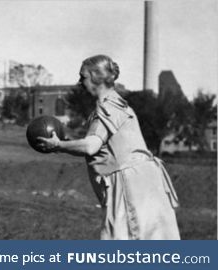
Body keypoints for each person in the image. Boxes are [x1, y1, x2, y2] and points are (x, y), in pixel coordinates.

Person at [37, 55, 180, 240]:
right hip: (145, 182)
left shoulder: (107, 107)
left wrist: (58, 145)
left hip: (130, 185)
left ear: (96, 77)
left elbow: (90, 146)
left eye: (83, 77)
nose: (80, 82)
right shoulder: (120, 105)